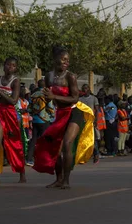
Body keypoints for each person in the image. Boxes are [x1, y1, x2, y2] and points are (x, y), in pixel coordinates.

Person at [33, 46, 94, 189]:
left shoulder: (70, 76)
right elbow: (49, 97)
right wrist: (42, 100)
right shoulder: (48, 76)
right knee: (53, 146)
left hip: (74, 111)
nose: (66, 62)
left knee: (67, 144)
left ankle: (66, 180)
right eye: (63, 59)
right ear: (55, 60)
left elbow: (74, 98)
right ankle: (58, 179)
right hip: (60, 113)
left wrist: (54, 96)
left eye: (68, 60)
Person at [0, 57, 26, 186]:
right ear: (4, 66)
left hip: (12, 114)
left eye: (13, 65)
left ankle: (22, 173)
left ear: (16, 68)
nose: (10, 67)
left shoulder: (15, 81)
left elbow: (13, 101)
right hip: (0, 112)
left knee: (15, 144)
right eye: (8, 65)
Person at [27, 79, 53, 165]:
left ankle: (29, 159)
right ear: (45, 85)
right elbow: (50, 108)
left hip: (35, 120)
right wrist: (51, 116)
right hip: (44, 120)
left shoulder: (33, 95)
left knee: (33, 139)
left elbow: (29, 108)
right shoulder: (47, 94)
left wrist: (34, 113)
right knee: (45, 140)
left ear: (38, 85)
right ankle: (44, 159)